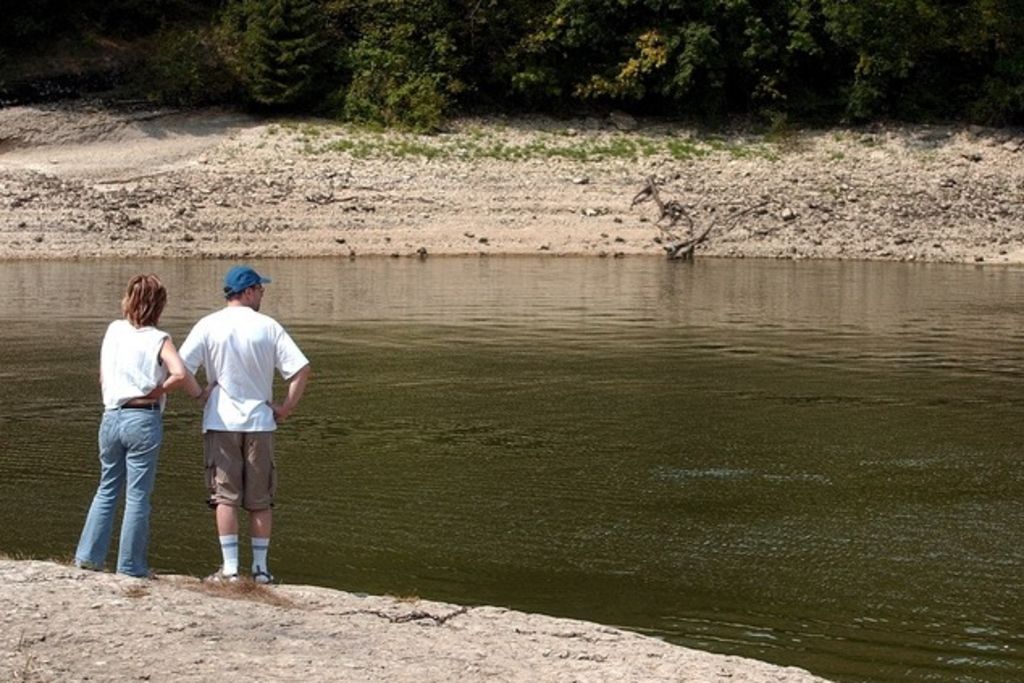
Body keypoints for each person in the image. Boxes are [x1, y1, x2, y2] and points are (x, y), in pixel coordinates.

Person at [179, 265, 311, 584]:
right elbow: (301, 370)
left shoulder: (208, 325)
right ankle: (261, 570)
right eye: (261, 290)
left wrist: (200, 394)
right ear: (249, 291)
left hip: (220, 420)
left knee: (224, 496)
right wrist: (286, 408)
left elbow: (180, 368)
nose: (263, 294)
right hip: (260, 422)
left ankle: (230, 569)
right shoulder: (268, 327)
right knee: (260, 499)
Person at [76, 274, 204, 578]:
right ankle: (130, 567)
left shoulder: (113, 330)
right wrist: (158, 391)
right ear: (159, 305)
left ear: (128, 300)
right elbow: (179, 372)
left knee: (106, 489)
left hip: (111, 416)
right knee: (137, 496)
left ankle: (88, 558)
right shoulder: (158, 339)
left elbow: (103, 376)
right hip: (142, 417)